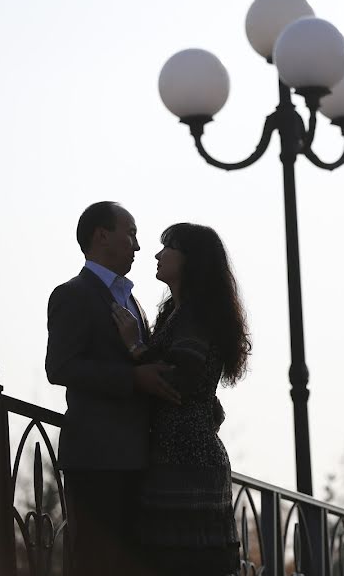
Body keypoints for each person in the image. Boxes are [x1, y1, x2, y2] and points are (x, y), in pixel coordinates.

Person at [45, 201, 181, 576]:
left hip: (137, 460)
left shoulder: (133, 300)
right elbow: (60, 367)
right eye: (131, 233)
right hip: (96, 460)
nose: (137, 246)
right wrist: (132, 379)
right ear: (101, 235)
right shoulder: (72, 294)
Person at [111, 222, 250, 576]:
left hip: (188, 462)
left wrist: (134, 344)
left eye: (168, 247)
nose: (157, 255)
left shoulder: (196, 314)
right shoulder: (178, 311)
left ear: (191, 259)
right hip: (179, 455)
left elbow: (180, 380)